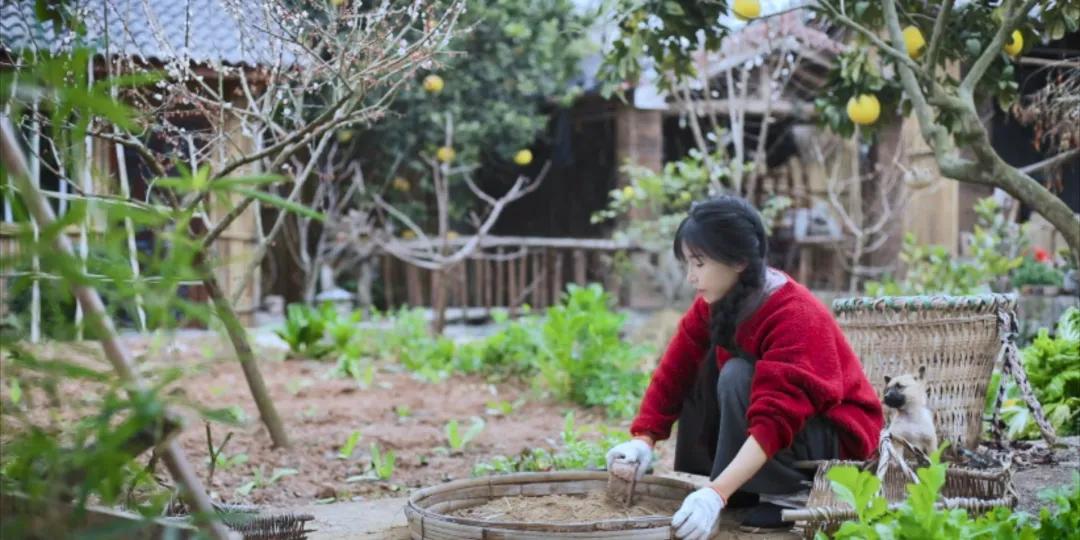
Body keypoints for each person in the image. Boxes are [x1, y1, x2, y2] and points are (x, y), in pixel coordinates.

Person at [606, 196, 884, 538]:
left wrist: (715, 494)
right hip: (781, 428)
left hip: (833, 442)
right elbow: (674, 371)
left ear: (738, 261)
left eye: (699, 263)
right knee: (702, 366)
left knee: (737, 373)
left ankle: (790, 492)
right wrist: (644, 439)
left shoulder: (794, 314)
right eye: (688, 265)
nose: (691, 277)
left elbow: (776, 418)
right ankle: (742, 486)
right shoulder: (716, 302)